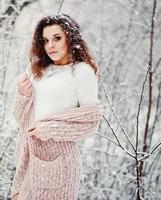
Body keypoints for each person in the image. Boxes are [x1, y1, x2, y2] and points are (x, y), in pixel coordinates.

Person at [11, 14, 103, 200]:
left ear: (71, 37)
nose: (50, 45)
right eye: (45, 40)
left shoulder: (82, 72)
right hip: (29, 160)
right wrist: (22, 94)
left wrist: (51, 128)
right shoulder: (37, 70)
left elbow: (90, 122)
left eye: (57, 38)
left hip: (59, 163)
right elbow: (20, 117)